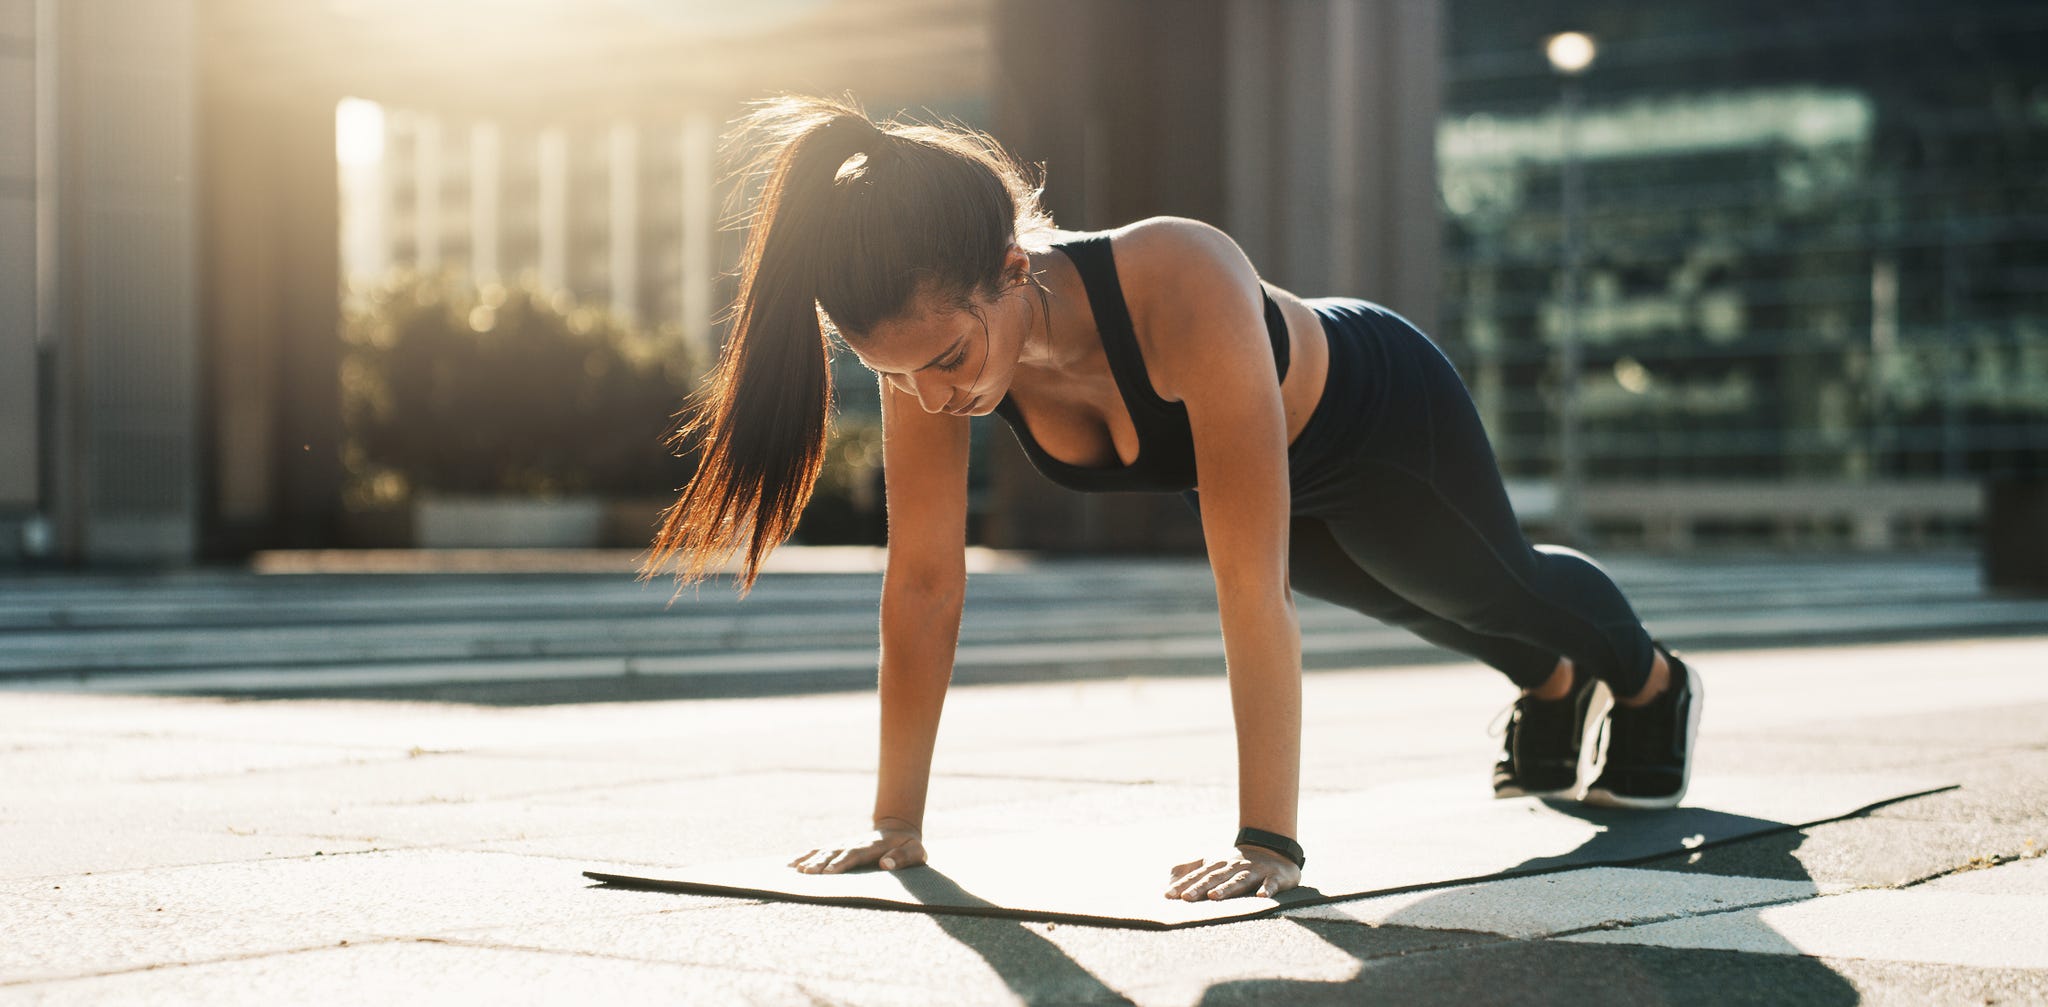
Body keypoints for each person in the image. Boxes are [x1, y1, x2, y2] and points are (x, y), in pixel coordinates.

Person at [640, 94, 1703, 904]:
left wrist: (1266, 842)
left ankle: (1651, 685)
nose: (930, 395)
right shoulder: (929, 343)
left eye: (948, 360)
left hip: (1379, 419)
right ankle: (1553, 681)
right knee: (1412, 602)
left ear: (1010, 269)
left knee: (1482, 580)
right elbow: (921, 581)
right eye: (900, 374)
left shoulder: (1178, 274)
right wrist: (894, 821)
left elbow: (1246, 587)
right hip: (1290, 462)